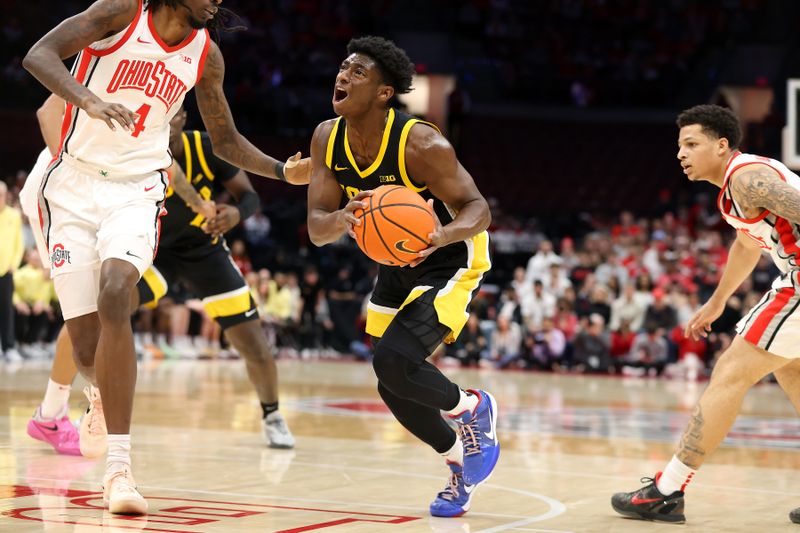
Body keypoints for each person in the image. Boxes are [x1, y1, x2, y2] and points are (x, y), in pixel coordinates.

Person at [23, 0, 309, 515]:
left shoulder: (206, 53)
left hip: (137, 189)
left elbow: (224, 139)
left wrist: (282, 172)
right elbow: (39, 55)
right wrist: (87, 100)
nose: (217, 1)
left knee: (117, 293)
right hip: (71, 189)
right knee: (86, 348)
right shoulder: (118, 13)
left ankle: (119, 470)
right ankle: (97, 395)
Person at [26, 98, 296, 458]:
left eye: (169, 116)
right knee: (96, 309)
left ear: (180, 116)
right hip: (151, 252)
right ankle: (61, 406)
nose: (162, 122)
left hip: (203, 251)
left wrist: (233, 213)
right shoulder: (133, 139)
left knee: (253, 343)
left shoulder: (200, 147)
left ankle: (272, 413)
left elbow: (246, 196)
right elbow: (48, 110)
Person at [306, 36, 498, 518]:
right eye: (342, 68)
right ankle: (457, 464)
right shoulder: (327, 137)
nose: (343, 76)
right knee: (390, 383)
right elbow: (316, 227)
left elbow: (480, 209)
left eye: (357, 72)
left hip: (449, 254)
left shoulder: (422, 142)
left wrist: (442, 234)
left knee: (395, 361)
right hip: (393, 259)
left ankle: (470, 406)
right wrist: (342, 220)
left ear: (385, 92)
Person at [612, 104, 800, 524]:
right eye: (680, 145)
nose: (682, 153)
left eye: (692, 144)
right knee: (793, 373)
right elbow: (747, 245)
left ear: (720, 145)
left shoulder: (748, 179)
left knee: (730, 373)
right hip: (791, 276)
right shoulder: (737, 186)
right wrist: (716, 302)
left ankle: (666, 491)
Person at [0, 180, 24, 363]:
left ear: (6, 195)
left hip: (6, 271)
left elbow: (19, 243)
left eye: (1, 194)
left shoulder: (14, 215)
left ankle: (9, 346)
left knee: (7, 310)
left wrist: (13, 265)